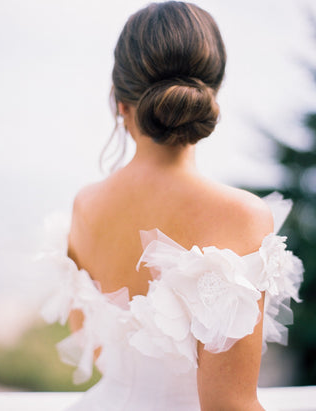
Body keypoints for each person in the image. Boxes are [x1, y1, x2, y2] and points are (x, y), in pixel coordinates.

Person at [39, 2, 303, 410]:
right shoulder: (241, 216)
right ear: (211, 95)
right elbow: (228, 404)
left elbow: (94, 349)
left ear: (118, 100)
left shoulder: (84, 204)